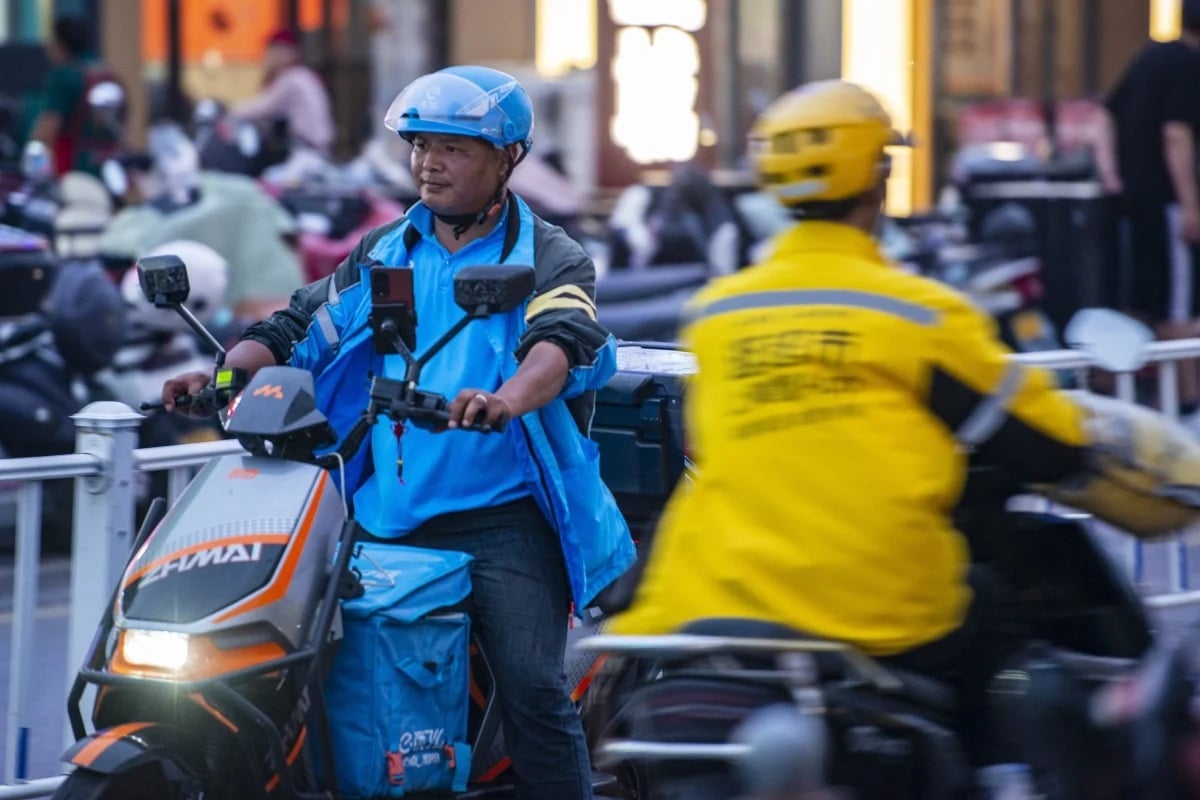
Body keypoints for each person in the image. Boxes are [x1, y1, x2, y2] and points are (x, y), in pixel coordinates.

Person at [607, 79, 1200, 771]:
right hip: (876, 602)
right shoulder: (918, 315)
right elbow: (1047, 442)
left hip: (701, 604)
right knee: (1016, 661)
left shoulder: (715, 316)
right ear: (879, 178)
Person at [163, 65, 635, 799]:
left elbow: (563, 342)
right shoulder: (385, 251)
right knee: (303, 671)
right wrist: (225, 374)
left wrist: (507, 399)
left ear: (508, 158)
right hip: (387, 519)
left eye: (454, 148)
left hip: (504, 521)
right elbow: (296, 328)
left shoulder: (546, 255)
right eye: (421, 146)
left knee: (533, 691)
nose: (429, 164)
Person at [1097, 0, 1200, 334]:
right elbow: (1176, 134)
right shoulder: (1188, 63)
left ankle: (1116, 381)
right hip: (1167, 203)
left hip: (1135, 202)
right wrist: (1190, 206)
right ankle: (1185, 388)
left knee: (1143, 301)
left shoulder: (1149, 56)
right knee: (1177, 304)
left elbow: (1103, 116)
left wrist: (1111, 174)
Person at [27, 15, 121, 176]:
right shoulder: (105, 73)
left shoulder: (64, 76)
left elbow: (48, 126)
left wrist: (33, 154)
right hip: (108, 166)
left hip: (72, 167)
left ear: (61, 44)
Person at [230, 28, 335, 155]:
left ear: (290, 52)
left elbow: (262, 107)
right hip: (317, 149)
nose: (269, 56)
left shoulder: (293, 79)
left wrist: (229, 111)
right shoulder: (303, 74)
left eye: (274, 50)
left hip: (308, 152)